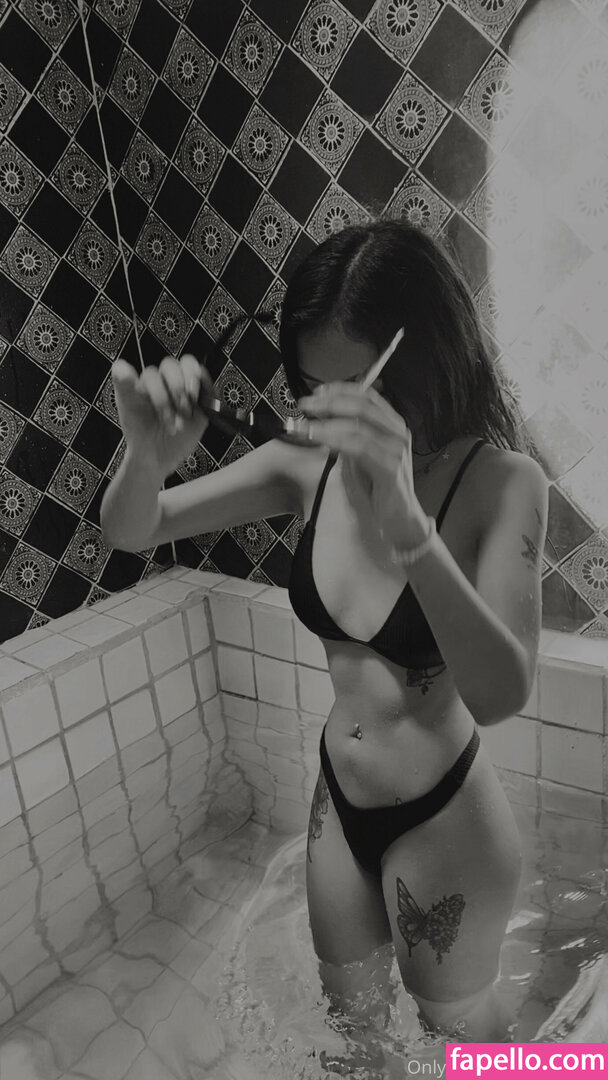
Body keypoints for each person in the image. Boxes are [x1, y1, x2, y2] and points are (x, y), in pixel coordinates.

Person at [101, 220, 547, 1044]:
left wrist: (408, 523)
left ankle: (581, 1065)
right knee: (353, 1035)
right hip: (338, 810)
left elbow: (501, 694)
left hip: (446, 823)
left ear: (424, 359)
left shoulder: (502, 483)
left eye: (359, 390)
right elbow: (136, 529)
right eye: (314, 388)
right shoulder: (306, 465)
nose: (331, 415)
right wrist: (145, 457)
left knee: (471, 1048)